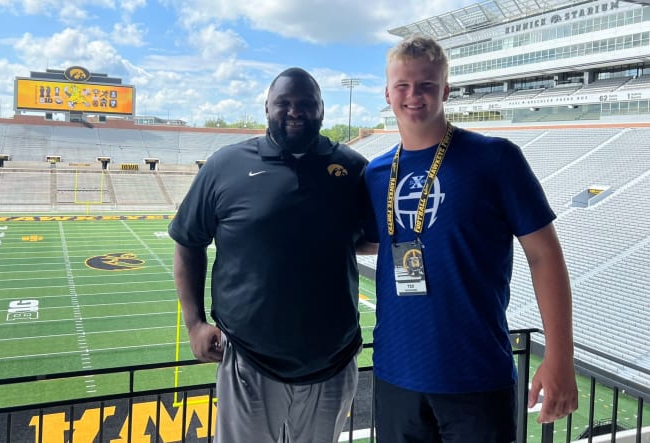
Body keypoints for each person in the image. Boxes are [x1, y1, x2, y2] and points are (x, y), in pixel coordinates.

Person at [364, 35, 579, 442]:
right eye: (403, 86)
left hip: (475, 375)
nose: (414, 96)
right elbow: (372, 240)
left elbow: (544, 256)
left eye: (426, 85)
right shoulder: (376, 174)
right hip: (395, 374)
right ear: (388, 93)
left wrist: (560, 356)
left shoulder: (495, 158)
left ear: (445, 90)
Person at [168, 67, 373, 443]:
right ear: (267, 108)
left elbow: (368, 239)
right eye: (284, 103)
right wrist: (194, 323)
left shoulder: (353, 169)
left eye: (306, 104)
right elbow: (188, 241)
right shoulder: (224, 166)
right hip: (248, 359)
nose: (295, 111)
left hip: (333, 358)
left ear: (322, 110)